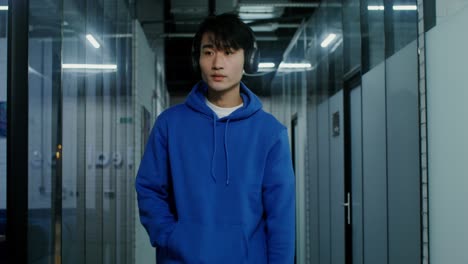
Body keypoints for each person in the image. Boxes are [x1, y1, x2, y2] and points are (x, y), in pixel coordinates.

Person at [135, 13, 295, 264]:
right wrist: (169, 236)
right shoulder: (169, 124)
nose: (217, 63)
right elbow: (149, 189)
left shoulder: (271, 133)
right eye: (208, 52)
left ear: (248, 60)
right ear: (196, 58)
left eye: (229, 52)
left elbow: (281, 219)